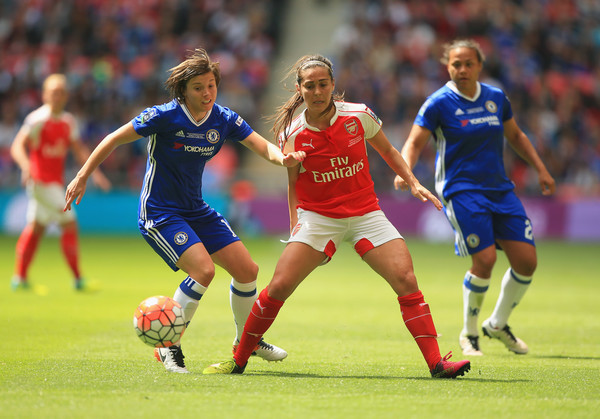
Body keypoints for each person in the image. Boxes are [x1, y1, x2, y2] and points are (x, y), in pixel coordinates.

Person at [203, 54, 471, 379]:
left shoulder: (359, 116)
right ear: (299, 89)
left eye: (323, 84)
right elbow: (293, 183)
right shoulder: (293, 133)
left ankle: (437, 364)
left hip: (366, 213)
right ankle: (239, 358)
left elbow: (388, 150)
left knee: (406, 280)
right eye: (310, 86)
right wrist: (295, 223)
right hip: (318, 218)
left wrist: (413, 182)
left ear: (333, 85)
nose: (317, 92)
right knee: (279, 287)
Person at [64, 49, 306, 373]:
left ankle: (246, 340)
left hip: (195, 208)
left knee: (247, 270)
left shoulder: (223, 118)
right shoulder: (162, 116)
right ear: (183, 91)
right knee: (204, 271)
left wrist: (283, 159)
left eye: (211, 86)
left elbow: (261, 146)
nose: (207, 94)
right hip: (159, 212)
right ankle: (167, 346)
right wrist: (82, 176)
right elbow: (112, 139)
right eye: (198, 88)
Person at [393, 39, 556, 356]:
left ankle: (497, 324)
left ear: (480, 65)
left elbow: (516, 136)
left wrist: (541, 169)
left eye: (469, 63)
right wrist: (406, 172)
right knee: (485, 260)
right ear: (447, 66)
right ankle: (469, 333)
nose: (462, 69)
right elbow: (414, 142)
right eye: (456, 64)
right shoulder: (438, 103)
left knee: (527, 262)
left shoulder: (495, 98)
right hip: (461, 190)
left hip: (500, 190)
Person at [10, 74, 111, 291]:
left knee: (36, 228)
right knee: (70, 224)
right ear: (45, 94)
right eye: (53, 92)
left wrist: (97, 174)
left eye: (62, 92)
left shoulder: (68, 122)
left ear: (66, 96)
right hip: (40, 182)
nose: (58, 96)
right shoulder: (36, 120)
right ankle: (77, 279)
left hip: (55, 183)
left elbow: (79, 150)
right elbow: (17, 146)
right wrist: (26, 166)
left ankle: (19, 279)